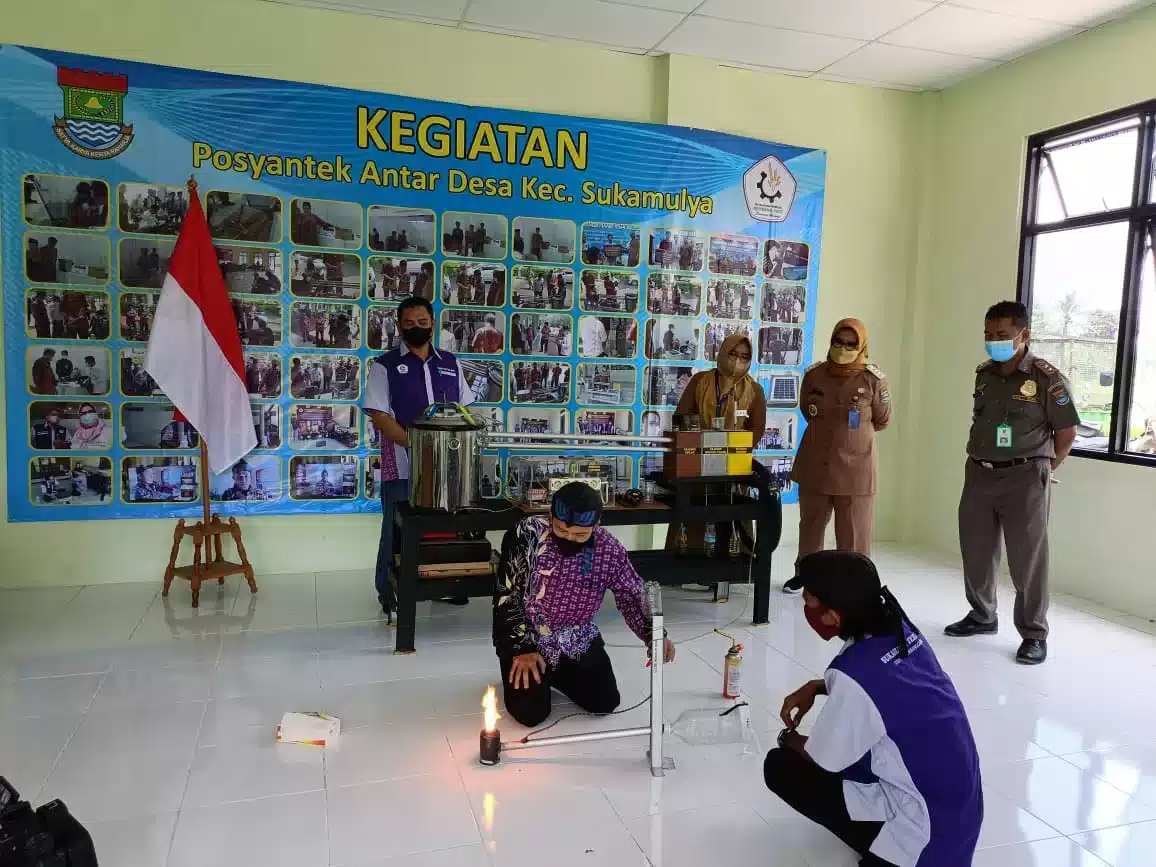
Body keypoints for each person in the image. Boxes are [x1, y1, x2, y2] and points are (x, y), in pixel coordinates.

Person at [766, 551, 982, 867]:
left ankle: (884, 841)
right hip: (962, 815)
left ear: (833, 616)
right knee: (866, 751)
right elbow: (888, 684)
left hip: (925, 838)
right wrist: (816, 686)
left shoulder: (853, 673)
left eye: (809, 600)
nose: (805, 607)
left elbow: (819, 757)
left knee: (781, 766)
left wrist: (787, 737)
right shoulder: (902, 631)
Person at [945, 300, 1079, 665]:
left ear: (1024, 335)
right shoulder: (985, 373)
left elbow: (1066, 431)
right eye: (988, 335)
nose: (993, 341)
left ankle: (1034, 632)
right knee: (976, 550)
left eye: (1002, 335)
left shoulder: (1045, 377)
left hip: (1026, 477)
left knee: (1028, 559)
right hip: (980, 472)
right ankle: (982, 615)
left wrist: (1046, 468)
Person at [494, 482, 675, 727]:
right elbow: (507, 594)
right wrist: (520, 649)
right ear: (551, 517)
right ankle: (526, 669)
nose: (569, 538)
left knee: (604, 702)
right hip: (529, 637)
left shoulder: (609, 550)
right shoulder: (526, 534)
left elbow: (631, 594)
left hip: (576, 637)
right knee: (531, 714)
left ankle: (555, 673)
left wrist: (654, 635)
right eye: (561, 530)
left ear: (595, 525)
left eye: (580, 534)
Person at [363, 296, 474, 612]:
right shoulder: (384, 366)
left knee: (443, 526)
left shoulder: (450, 362)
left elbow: (465, 410)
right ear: (399, 326)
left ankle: (443, 585)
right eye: (409, 323)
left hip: (448, 464)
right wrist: (421, 445)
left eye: (422, 322)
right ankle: (389, 591)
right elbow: (380, 417)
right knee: (395, 527)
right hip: (402, 462)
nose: (416, 328)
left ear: (432, 324)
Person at [784, 319, 891, 595]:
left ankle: (854, 582)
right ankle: (805, 574)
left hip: (856, 469)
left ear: (861, 346)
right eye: (838, 342)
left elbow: (882, 419)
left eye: (850, 344)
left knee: (854, 533)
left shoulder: (873, 379)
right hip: (817, 464)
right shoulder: (815, 375)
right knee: (810, 525)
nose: (843, 348)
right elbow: (809, 411)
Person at [666, 333, 766, 553]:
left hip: (734, 464)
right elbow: (681, 415)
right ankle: (692, 565)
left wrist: (735, 448)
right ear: (722, 354)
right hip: (698, 461)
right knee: (694, 513)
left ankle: (733, 568)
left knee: (734, 513)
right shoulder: (701, 381)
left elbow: (756, 430)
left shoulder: (755, 391)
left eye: (744, 356)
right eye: (733, 354)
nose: (737, 360)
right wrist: (702, 439)